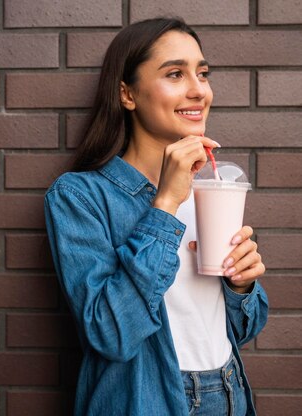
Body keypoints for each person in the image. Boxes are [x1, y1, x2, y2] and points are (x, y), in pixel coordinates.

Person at [44, 17, 268, 415]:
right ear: (127, 94)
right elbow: (110, 333)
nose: (199, 90)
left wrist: (241, 288)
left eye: (202, 73)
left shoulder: (211, 188)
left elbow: (242, 328)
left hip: (231, 395)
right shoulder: (80, 196)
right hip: (147, 400)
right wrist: (164, 204)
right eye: (175, 74)